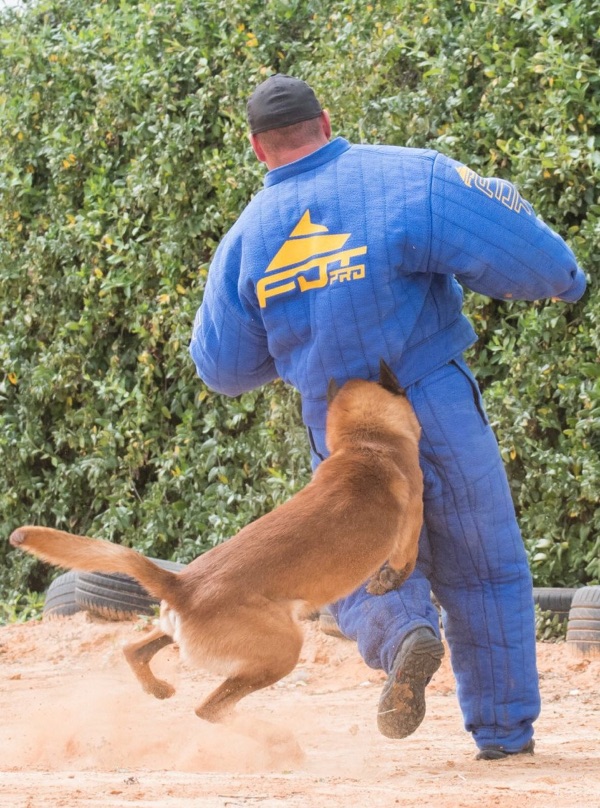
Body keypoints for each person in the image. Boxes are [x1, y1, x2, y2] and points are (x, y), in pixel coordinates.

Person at [189, 74, 586, 759]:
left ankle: (403, 634)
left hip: (338, 427)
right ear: (327, 119)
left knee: (350, 563)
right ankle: (504, 736)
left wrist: (295, 344)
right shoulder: (409, 178)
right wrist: (565, 281)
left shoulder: (246, 241)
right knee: (485, 567)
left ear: (258, 149)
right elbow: (523, 248)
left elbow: (222, 367)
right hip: (433, 400)